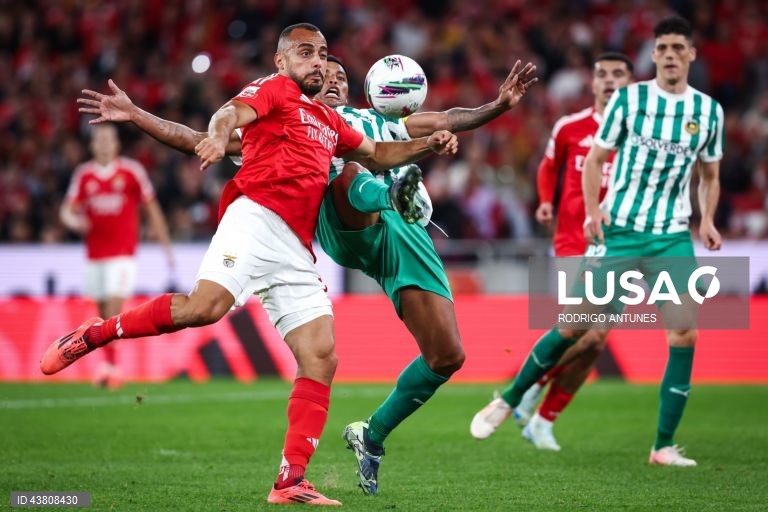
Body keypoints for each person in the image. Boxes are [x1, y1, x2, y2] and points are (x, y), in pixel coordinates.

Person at [76, 54, 537, 495]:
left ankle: (370, 436)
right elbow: (194, 135)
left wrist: (494, 107)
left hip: (406, 236)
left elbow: (447, 119)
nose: (334, 79)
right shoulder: (287, 123)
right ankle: (393, 192)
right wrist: (139, 116)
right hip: (349, 220)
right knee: (352, 173)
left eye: (341, 76)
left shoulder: (373, 121)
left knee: (447, 356)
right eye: (325, 72)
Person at [470, 15, 724, 467]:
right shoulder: (630, 102)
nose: (668, 55)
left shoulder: (708, 112)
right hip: (621, 232)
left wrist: (707, 219)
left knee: (684, 334)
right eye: (661, 48)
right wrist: (593, 212)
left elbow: (709, 173)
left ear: (691, 54)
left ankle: (662, 445)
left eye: (676, 48)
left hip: (671, 236)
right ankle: (508, 399)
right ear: (654, 55)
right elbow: (594, 162)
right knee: (574, 328)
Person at [474, 53, 634, 451]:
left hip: (623, 244)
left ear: (631, 83)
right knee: (582, 328)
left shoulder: (640, 134)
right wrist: (546, 200)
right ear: (592, 84)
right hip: (574, 239)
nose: (610, 81)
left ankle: (540, 414)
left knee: (595, 341)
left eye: (618, 75)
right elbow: (548, 167)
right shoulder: (571, 126)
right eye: (603, 75)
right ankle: (525, 394)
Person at [60, 123, 173, 389]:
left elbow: (151, 207)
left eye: (109, 139)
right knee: (101, 314)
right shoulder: (84, 175)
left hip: (123, 254)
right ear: (92, 145)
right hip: (94, 255)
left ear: (116, 144)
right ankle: (110, 364)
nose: (104, 144)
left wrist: (165, 244)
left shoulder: (131, 171)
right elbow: (66, 210)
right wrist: (75, 222)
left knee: (113, 307)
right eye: (99, 140)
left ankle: (112, 369)